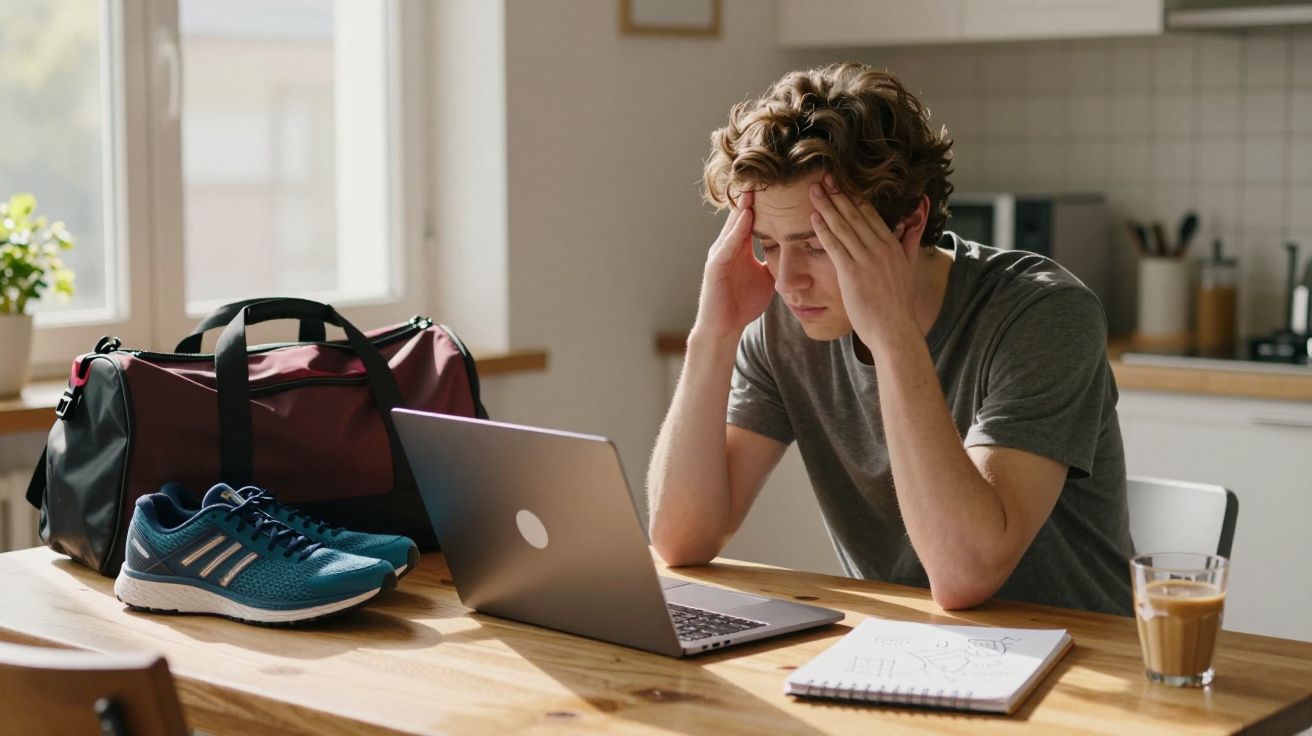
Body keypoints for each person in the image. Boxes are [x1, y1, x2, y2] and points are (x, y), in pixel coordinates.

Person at [646, 62, 1133, 615]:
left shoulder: (1042, 314)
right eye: (768, 244)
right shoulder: (789, 322)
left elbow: (963, 574)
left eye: (818, 245)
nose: (786, 281)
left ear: (909, 224)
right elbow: (680, 540)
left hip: (1081, 661)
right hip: (898, 653)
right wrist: (713, 333)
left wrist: (893, 333)